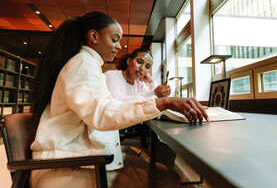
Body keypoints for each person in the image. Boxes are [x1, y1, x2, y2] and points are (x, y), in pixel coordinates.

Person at [30, 11, 209, 188]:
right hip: (69, 165)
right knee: (167, 179)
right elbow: (103, 113)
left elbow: (114, 105)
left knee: (162, 164)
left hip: (84, 153)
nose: (118, 47)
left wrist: (162, 101)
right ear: (93, 36)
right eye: (114, 39)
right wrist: (162, 102)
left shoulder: (87, 64)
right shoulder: (83, 64)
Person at [104, 48, 171, 101]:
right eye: (139, 62)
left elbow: (154, 101)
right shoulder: (111, 76)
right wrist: (154, 92)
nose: (142, 68)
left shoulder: (139, 84)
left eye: (147, 67)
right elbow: (116, 102)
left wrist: (151, 82)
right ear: (129, 61)